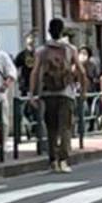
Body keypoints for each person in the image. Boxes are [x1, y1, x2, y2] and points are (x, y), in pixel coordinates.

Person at [31, 17, 83, 171]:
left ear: (49, 31)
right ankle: (64, 161)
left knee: (51, 127)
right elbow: (81, 70)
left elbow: (34, 73)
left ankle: (53, 160)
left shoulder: (41, 50)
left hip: (47, 93)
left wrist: (31, 93)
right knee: (65, 127)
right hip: (66, 92)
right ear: (62, 31)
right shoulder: (70, 49)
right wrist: (83, 88)